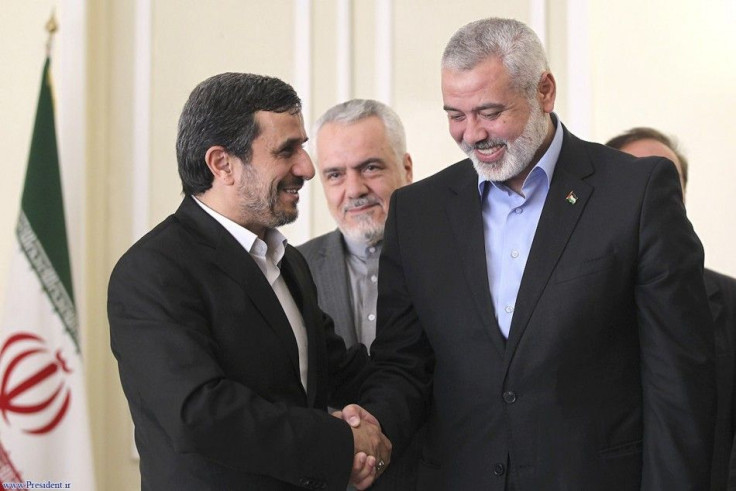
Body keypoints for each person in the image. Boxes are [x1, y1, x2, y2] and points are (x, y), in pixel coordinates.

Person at [340, 17, 716, 490]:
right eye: (455, 115)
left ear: (545, 91)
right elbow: (405, 365)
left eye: (490, 112)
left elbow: (678, 383)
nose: (472, 134)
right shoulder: (418, 212)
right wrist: (369, 428)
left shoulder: (636, 192)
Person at [107, 72, 391, 490]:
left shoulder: (288, 261)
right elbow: (201, 414)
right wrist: (342, 442)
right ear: (223, 164)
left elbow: (339, 371)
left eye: (303, 148)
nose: (307, 168)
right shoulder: (152, 271)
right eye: (287, 151)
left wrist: (394, 407)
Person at [606, 127, 736, 491]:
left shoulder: (731, 300)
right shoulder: (561, 299)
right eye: (637, 178)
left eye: (665, 181)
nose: (651, 193)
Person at [298, 99, 418, 490]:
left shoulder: (456, 258)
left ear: (406, 169)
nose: (354, 190)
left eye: (370, 167)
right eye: (334, 174)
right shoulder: (292, 270)